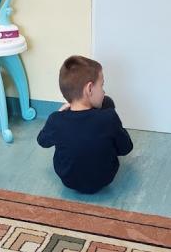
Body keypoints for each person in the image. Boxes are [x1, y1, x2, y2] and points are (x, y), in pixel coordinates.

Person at [37, 55, 133, 194]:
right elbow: (126, 148)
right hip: (104, 178)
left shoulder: (56, 120)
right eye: (102, 85)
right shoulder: (109, 117)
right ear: (89, 89)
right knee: (107, 102)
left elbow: (42, 141)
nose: (103, 91)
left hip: (68, 179)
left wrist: (58, 113)